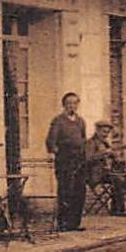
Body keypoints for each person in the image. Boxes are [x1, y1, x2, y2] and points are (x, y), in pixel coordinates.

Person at [45, 92, 88, 231]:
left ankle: (74, 223)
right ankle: (63, 223)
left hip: (79, 160)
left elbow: (83, 139)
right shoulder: (58, 120)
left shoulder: (81, 121)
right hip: (65, 159)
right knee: (66, 190)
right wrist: (53, 152)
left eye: (75, 103)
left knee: (79, 191)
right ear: (64, 105)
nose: (72, 106)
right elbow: (51, 139)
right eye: (69, 103)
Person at [86, 120, 126, 215]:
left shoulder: (105, 143)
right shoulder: (91, 143)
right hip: (97, 173)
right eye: (103, 132)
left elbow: (113, 158)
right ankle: (118, 209)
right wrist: (104, 153)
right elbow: (88, 159)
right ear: (97, 130)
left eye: (107, 132)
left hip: (110, 171)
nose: (105, 135)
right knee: (118, 179)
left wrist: (116, 157)